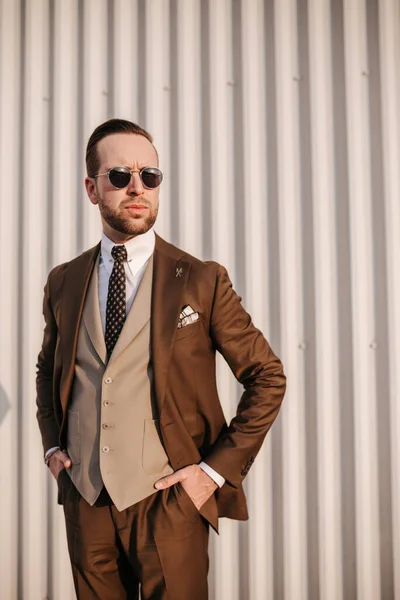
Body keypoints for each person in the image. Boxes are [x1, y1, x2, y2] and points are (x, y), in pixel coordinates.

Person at [36, 118, 286, 600]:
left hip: (169, 503)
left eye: (150, 176)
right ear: (91, 188)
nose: (138, 187)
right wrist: (53, 448)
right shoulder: (63, 280)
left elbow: (267, 377)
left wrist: (211, 474)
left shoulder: (201, 279)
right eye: (120, 176)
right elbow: (50, 367)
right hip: (86, 502)